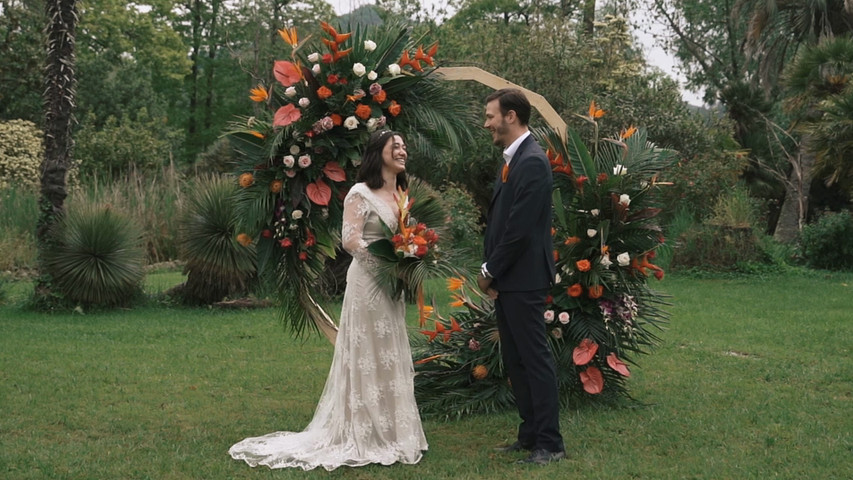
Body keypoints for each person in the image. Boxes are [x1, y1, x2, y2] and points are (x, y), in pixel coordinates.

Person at [229, 130, 428, 471]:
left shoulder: (401, 193)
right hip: (368, 284)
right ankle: (362, 431)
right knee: (366, 353)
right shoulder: (359, 193)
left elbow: (405, 236)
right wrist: (386, 268)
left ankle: (394, 431)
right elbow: (351, 242)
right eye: (395, 146)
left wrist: (411, 258)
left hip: (391, 289)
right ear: (377, 152)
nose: (402, 151)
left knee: (389, 350)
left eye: (404, 147)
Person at [477, 88, 565, 465]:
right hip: (510, 279)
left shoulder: (531, 161)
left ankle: (551, 442)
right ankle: (529, 435)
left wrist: (489, 270)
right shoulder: (512, 159)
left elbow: (519, 229)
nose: (487, 123)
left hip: (524, 278)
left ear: (511, 116)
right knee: (517, 360)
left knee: (535, 359)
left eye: (490, 115)